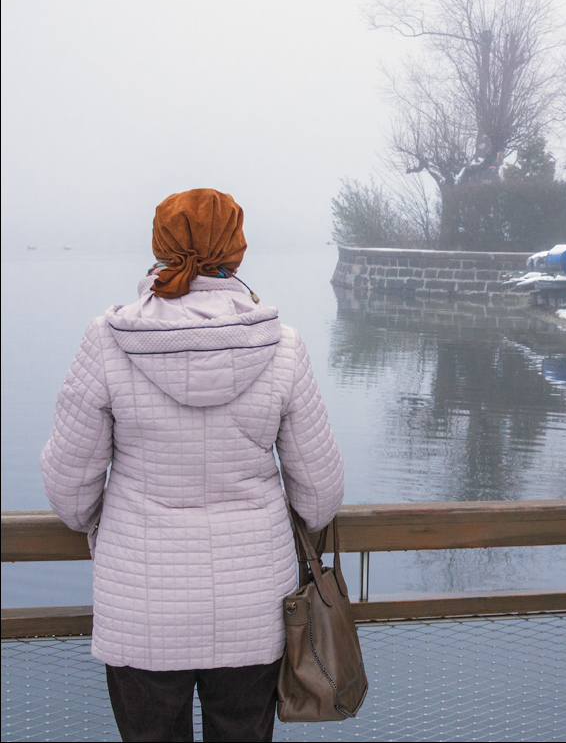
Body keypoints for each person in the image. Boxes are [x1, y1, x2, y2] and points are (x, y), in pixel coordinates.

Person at [41, 188, 345, 742]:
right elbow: (319, 498)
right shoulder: (282, 346)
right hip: (253, 611)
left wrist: (105, 522)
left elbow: (69, 493)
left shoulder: (108, 342)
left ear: (160, 246)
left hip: (141, 610)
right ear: (236, 250)